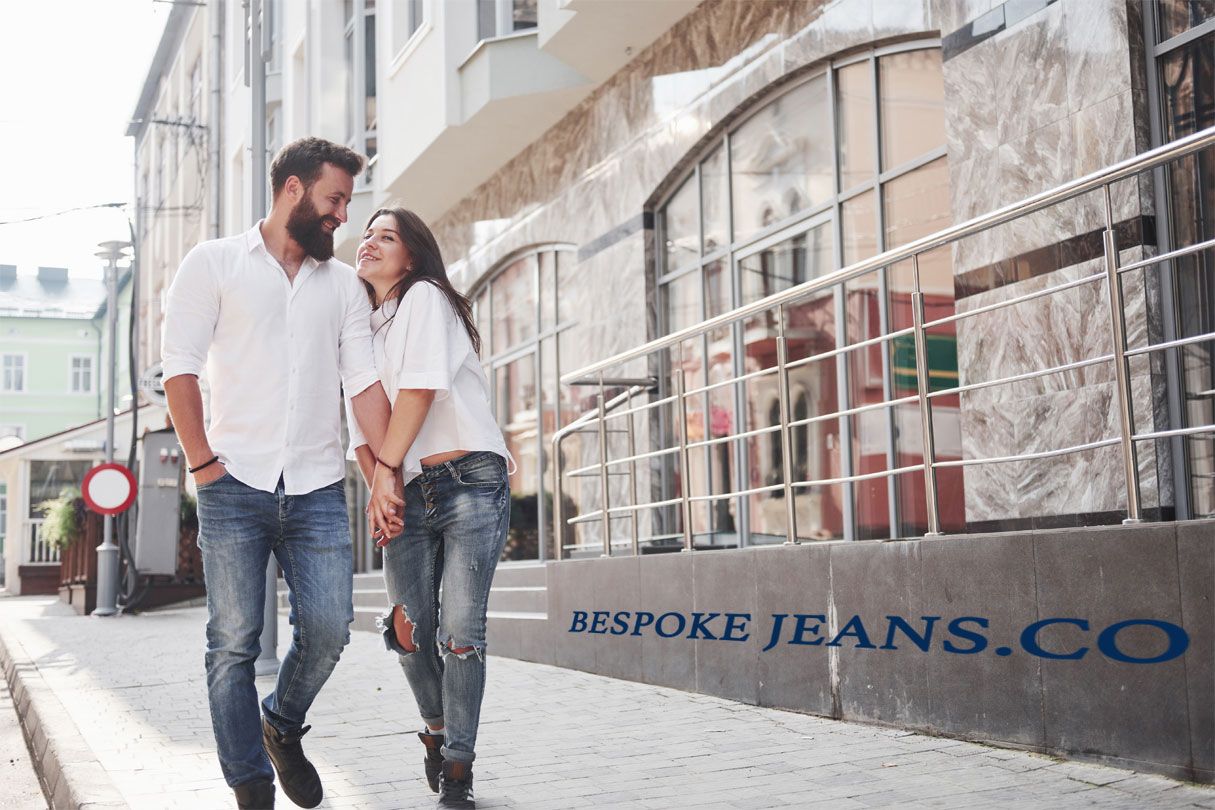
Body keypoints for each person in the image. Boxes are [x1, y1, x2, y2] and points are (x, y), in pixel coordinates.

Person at [162, 137, 396, 810]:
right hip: (233, 483)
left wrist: (385, 474)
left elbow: (364, 384)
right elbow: (179, 366)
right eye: (333, 200)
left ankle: (281, 725)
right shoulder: (215, 263)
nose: (341, 217)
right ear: (292, 190)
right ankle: (250, 785)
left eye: (346, 204)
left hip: (319, 484)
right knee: (232, 643)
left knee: (328, 627)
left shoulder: (343, 286)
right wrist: (203, 463)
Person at [347, 207, 511, 809]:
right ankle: (436, 733)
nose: (369, 242)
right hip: (405, 492)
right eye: (365, 235)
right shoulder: (360, 327)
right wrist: (381, 486)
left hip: (469, 479)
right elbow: (360, 431)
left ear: (411, 255)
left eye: (385, 236)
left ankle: (460, 769)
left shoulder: (426, 297)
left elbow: (418, 390)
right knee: (407, 630)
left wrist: (385, 474)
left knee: (461, 632)